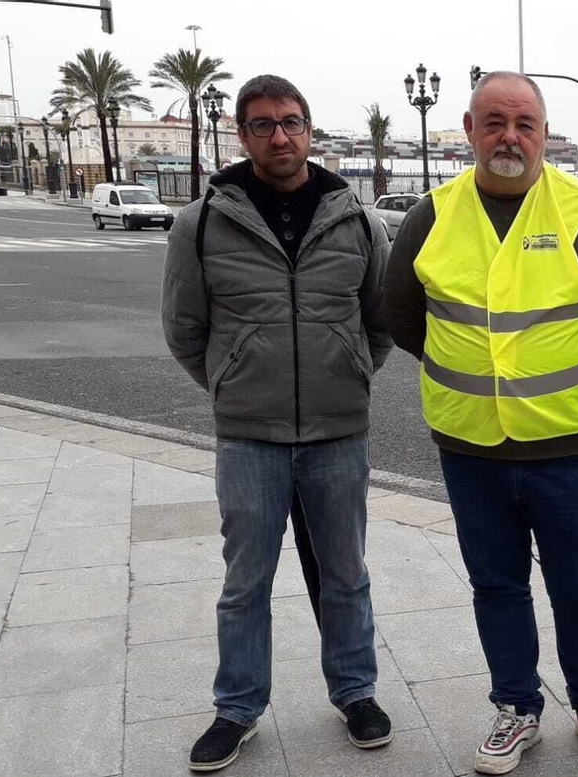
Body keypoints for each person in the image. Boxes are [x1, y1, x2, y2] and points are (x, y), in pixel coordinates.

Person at [381, 71, 578, 775]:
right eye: (494, 122)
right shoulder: (430, 217)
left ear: (545, 134)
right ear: (469, 130)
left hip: (567, 445)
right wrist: (470, 368)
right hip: (470, 446)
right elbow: (402, 316)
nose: (509, 137)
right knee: (496, 586)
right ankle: (516, 708)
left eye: (525, 124)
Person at [161, 74, 395, 772]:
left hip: (337, 430)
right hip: (249, 436)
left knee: (346, 572)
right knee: (245, 582)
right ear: (242, 134)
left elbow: (380, 319)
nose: (279, 135)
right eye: (262, 124)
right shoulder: (202, 221)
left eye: (291, 121)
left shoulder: (356, 219)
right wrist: (233, 383)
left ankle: (356, 692)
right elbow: (184, 328)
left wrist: (350, 371)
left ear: (309, 129)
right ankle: (237, 707)